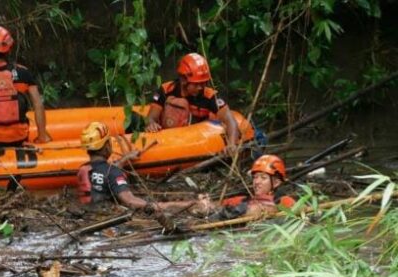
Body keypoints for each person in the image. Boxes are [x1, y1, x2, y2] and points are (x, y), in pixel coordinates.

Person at [77, 121, 207, 213]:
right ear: (106, 146)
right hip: (107, 217)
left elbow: (104, 172)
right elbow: (130, 202)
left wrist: (126, 158)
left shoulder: (83, 169)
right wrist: (183, 205)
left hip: (88, 213)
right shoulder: (113, 172)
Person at [145, 53, 239, 155]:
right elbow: (151, 117)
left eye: (203, 83)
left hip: (195, 140)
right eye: (196, 84)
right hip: (166, 138)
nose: (200, 87)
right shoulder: (166, 90)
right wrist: (151, 123)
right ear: (183, 80)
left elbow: (230, 121)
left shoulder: (210, 96)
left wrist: (232, 144)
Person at [198, 154, 296, 219]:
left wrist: (267, 209)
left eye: (263, 178)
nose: (256, 182)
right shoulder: (243, 200)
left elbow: (299, 209)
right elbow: (216, 205)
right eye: (255, 177)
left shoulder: (283, 200)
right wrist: (205, 204)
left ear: (276, 183)